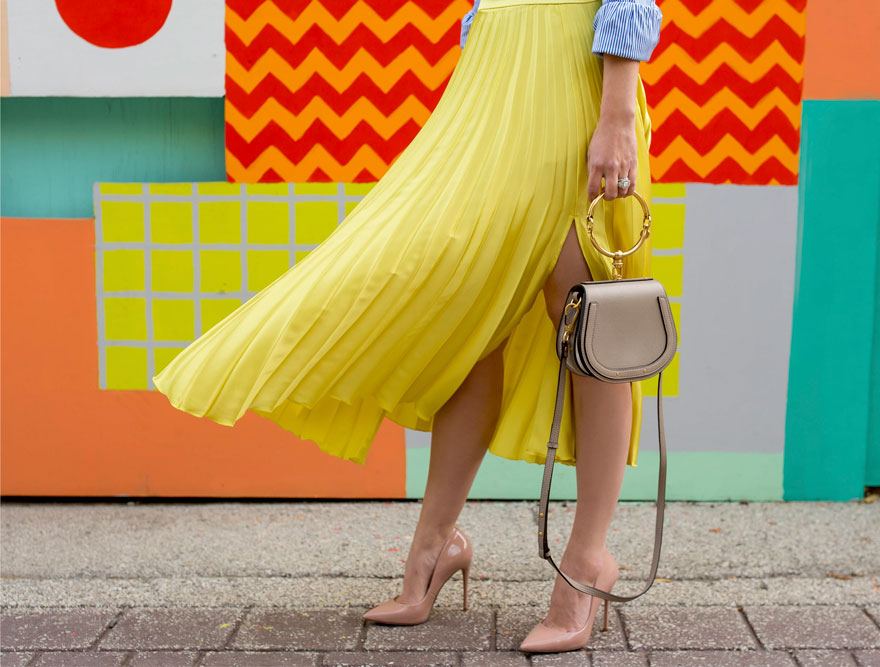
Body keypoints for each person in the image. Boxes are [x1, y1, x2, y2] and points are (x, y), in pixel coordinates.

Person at [152, 0, 662, 654]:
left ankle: (588, 558)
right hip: (490, 80)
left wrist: (617, 108)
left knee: (588, 313)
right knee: (472, 310)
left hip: (572, 72)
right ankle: (433, 548)